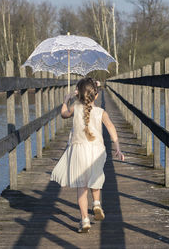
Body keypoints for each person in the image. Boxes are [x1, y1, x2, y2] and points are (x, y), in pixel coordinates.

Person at [50, 77, 125, 233]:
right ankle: (97, 203)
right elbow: (111, 127)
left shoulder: (75, 108)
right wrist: (117, 147)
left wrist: (66, 100)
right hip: (97, 151)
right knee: (95, 179)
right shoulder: (101, 112)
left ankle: (84, 220)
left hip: (78, 151)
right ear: (96, 96)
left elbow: (63, 114)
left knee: (81, 187)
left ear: (79, 95)